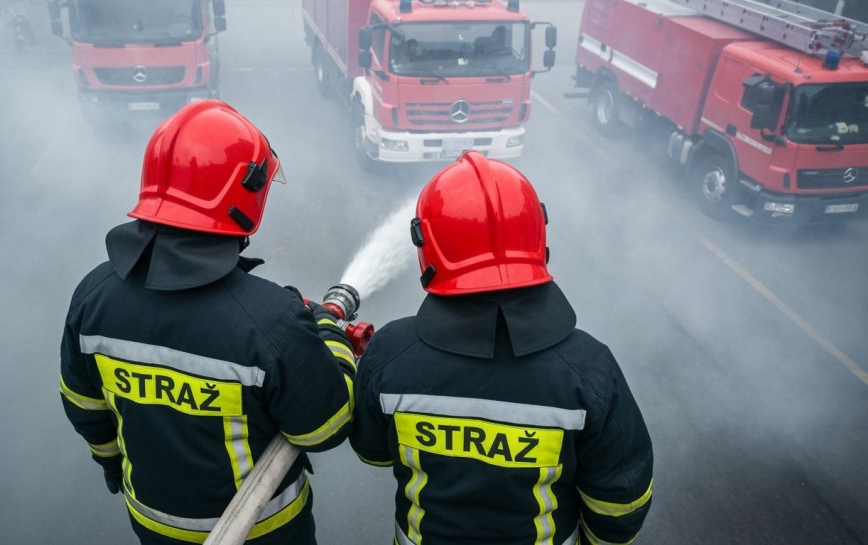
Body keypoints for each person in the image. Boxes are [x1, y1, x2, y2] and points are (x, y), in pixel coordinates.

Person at [59, 99, 356, 545]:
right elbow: (325, 427)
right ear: (245, 195)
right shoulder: (269, 319)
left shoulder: (93, 295)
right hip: (265, 533)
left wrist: (111, 461)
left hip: (152, 526)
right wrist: (329, 333)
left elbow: (84, 406)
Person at [350, 151, 653, 545]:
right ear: (537, 236)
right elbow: (620, 507)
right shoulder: (589, 370)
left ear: (428, 244)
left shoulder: (391, 353)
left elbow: (373, 452)